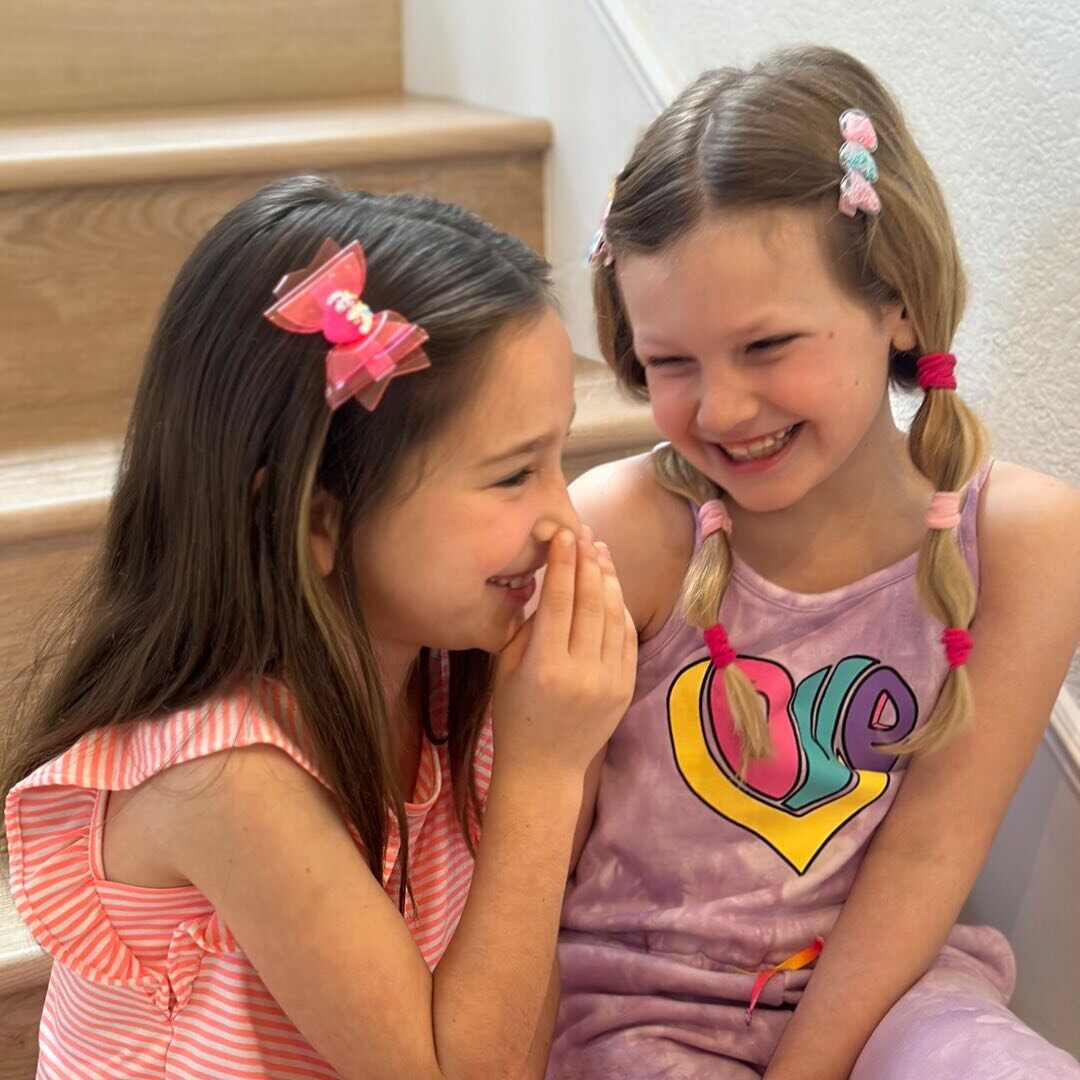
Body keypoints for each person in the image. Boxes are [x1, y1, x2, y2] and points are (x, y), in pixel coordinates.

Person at [2, 175, 637, 1079]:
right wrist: (546, 772)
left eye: (559, 456)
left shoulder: (457, 663)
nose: (564, 522)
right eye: (510, 476)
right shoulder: (223, 776)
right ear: (317, 524)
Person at [550, 45, 1080, 1080]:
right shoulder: (624, 529)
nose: (723, 409)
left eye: (767, 345)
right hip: (632, 1006)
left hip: (895, 993)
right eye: (671, 363)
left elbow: (929, 854)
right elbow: (528, 846)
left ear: (900, 306)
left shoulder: (1022, 540)